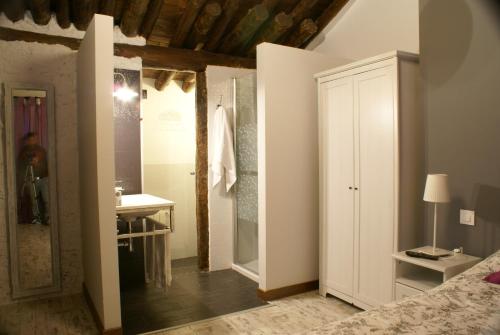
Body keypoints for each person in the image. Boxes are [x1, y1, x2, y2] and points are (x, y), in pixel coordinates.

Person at [17, 132, 49, 225]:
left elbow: (47, 163)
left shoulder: (42, 150)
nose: (32, 141)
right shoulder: (23, 151)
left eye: (34, 139)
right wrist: (29, 162)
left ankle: (48, 218)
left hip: (43, 178)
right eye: (30, 139)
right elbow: (21, 166)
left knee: (46, 199)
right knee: (33, 201)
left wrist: (37, 162)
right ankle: (36, 218)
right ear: (27, 140)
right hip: (31, 179)